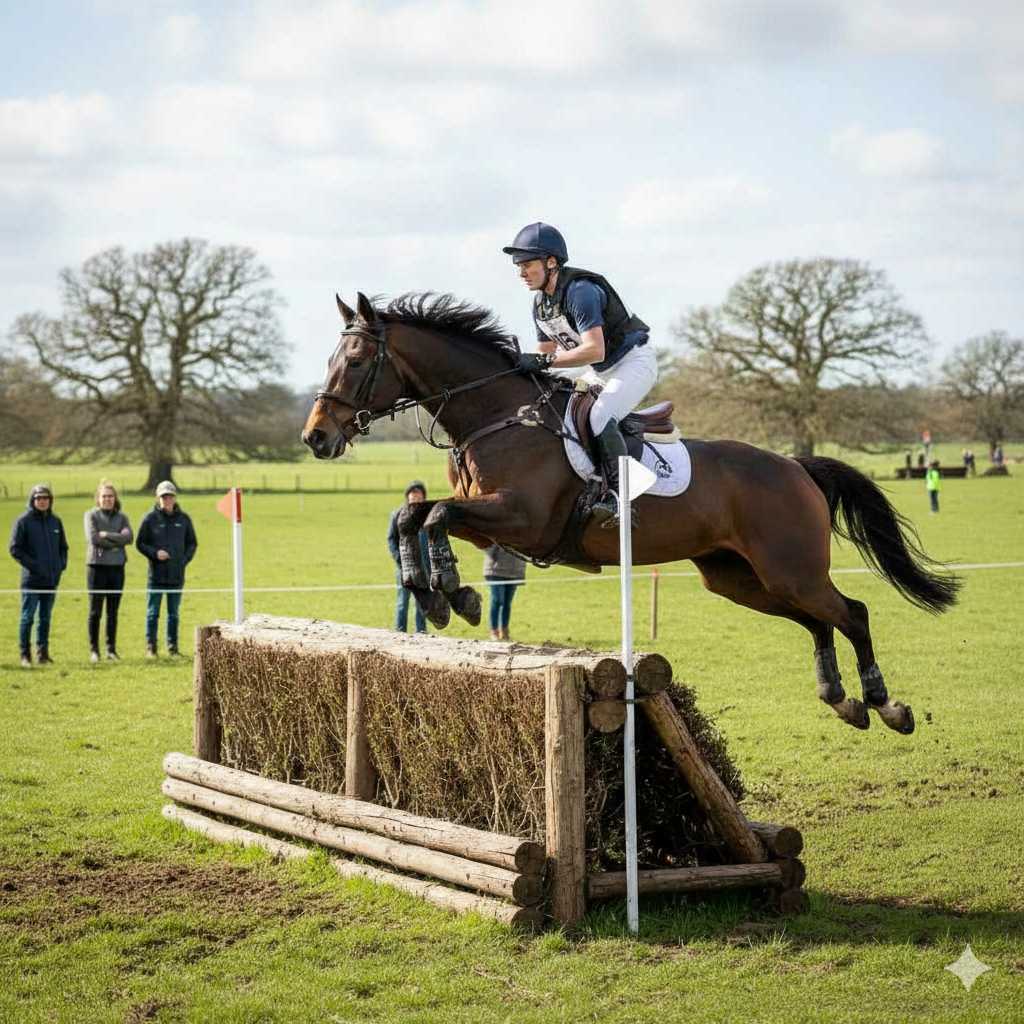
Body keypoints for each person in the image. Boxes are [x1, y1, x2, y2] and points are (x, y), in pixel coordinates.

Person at [503, 222, 657, 526]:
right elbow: (547, 354)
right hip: (601, 370)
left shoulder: (580, 292)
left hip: (633, 363)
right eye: (518, 265)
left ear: (551, 262)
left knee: (599, 417)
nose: (521, 272)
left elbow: (594, 350)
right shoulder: (541, 304)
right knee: (556, 409)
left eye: (527, 264)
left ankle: (617, 498)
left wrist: (543, 361)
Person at [9, 483, 68, 667]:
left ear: (50, 501)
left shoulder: (55, 521)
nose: (42, 502)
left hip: (51, 580)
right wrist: (34, 566)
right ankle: (25, 655)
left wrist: (60, 566)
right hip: (32, 580)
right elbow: (14, 548)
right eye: (39, 499)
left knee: (45, 618)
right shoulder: (23, 521)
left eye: (46, 499)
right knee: (28, 617)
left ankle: (43, 654)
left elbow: (63, 547)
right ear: (33, 500)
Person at [136, 481, 197, 657]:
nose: (167, 499)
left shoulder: (184, 519)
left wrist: (183, 560)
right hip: (155, 576)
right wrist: (155, 553)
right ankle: (151, 648)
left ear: (174, 497)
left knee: (173, 614)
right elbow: (140, 543)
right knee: (152, 613)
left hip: (176, 575)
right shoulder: (149, 519)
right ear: (158, 498)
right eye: (164, 496)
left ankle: (173, 648)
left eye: (169, 496)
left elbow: (192, 543)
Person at [84, 479, 133, 662]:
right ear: (98, 498)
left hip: (117, 568)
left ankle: (111, 650)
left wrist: (108, 535)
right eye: (104, 496)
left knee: (113, 611)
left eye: (110, 496)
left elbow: (129, 538)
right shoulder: (90, 516)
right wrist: (116, 540)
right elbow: (95, 539)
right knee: (95, 611)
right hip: (96, 567)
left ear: (115, 498)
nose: (107, 499)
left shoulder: (123, 517)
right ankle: (94, 650)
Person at [387, 481, 429, 633]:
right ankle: (400, 633)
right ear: (408, 498)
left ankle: (421, 633)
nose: (415, 501)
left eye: (418, 498)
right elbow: (391, 539)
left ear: (423, 499)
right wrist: (400, 559)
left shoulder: (429, 518)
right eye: (413, 498)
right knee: (402, 603)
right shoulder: (397, 515)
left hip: (423, 569)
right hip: (403, 569)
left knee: (422, 604)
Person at [483, 544, 526, 641]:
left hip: (514, 571)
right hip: (495, 571)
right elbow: (486, 546)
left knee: (507, 603)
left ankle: (505, 632)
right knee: (497, 600)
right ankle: (494, 631)